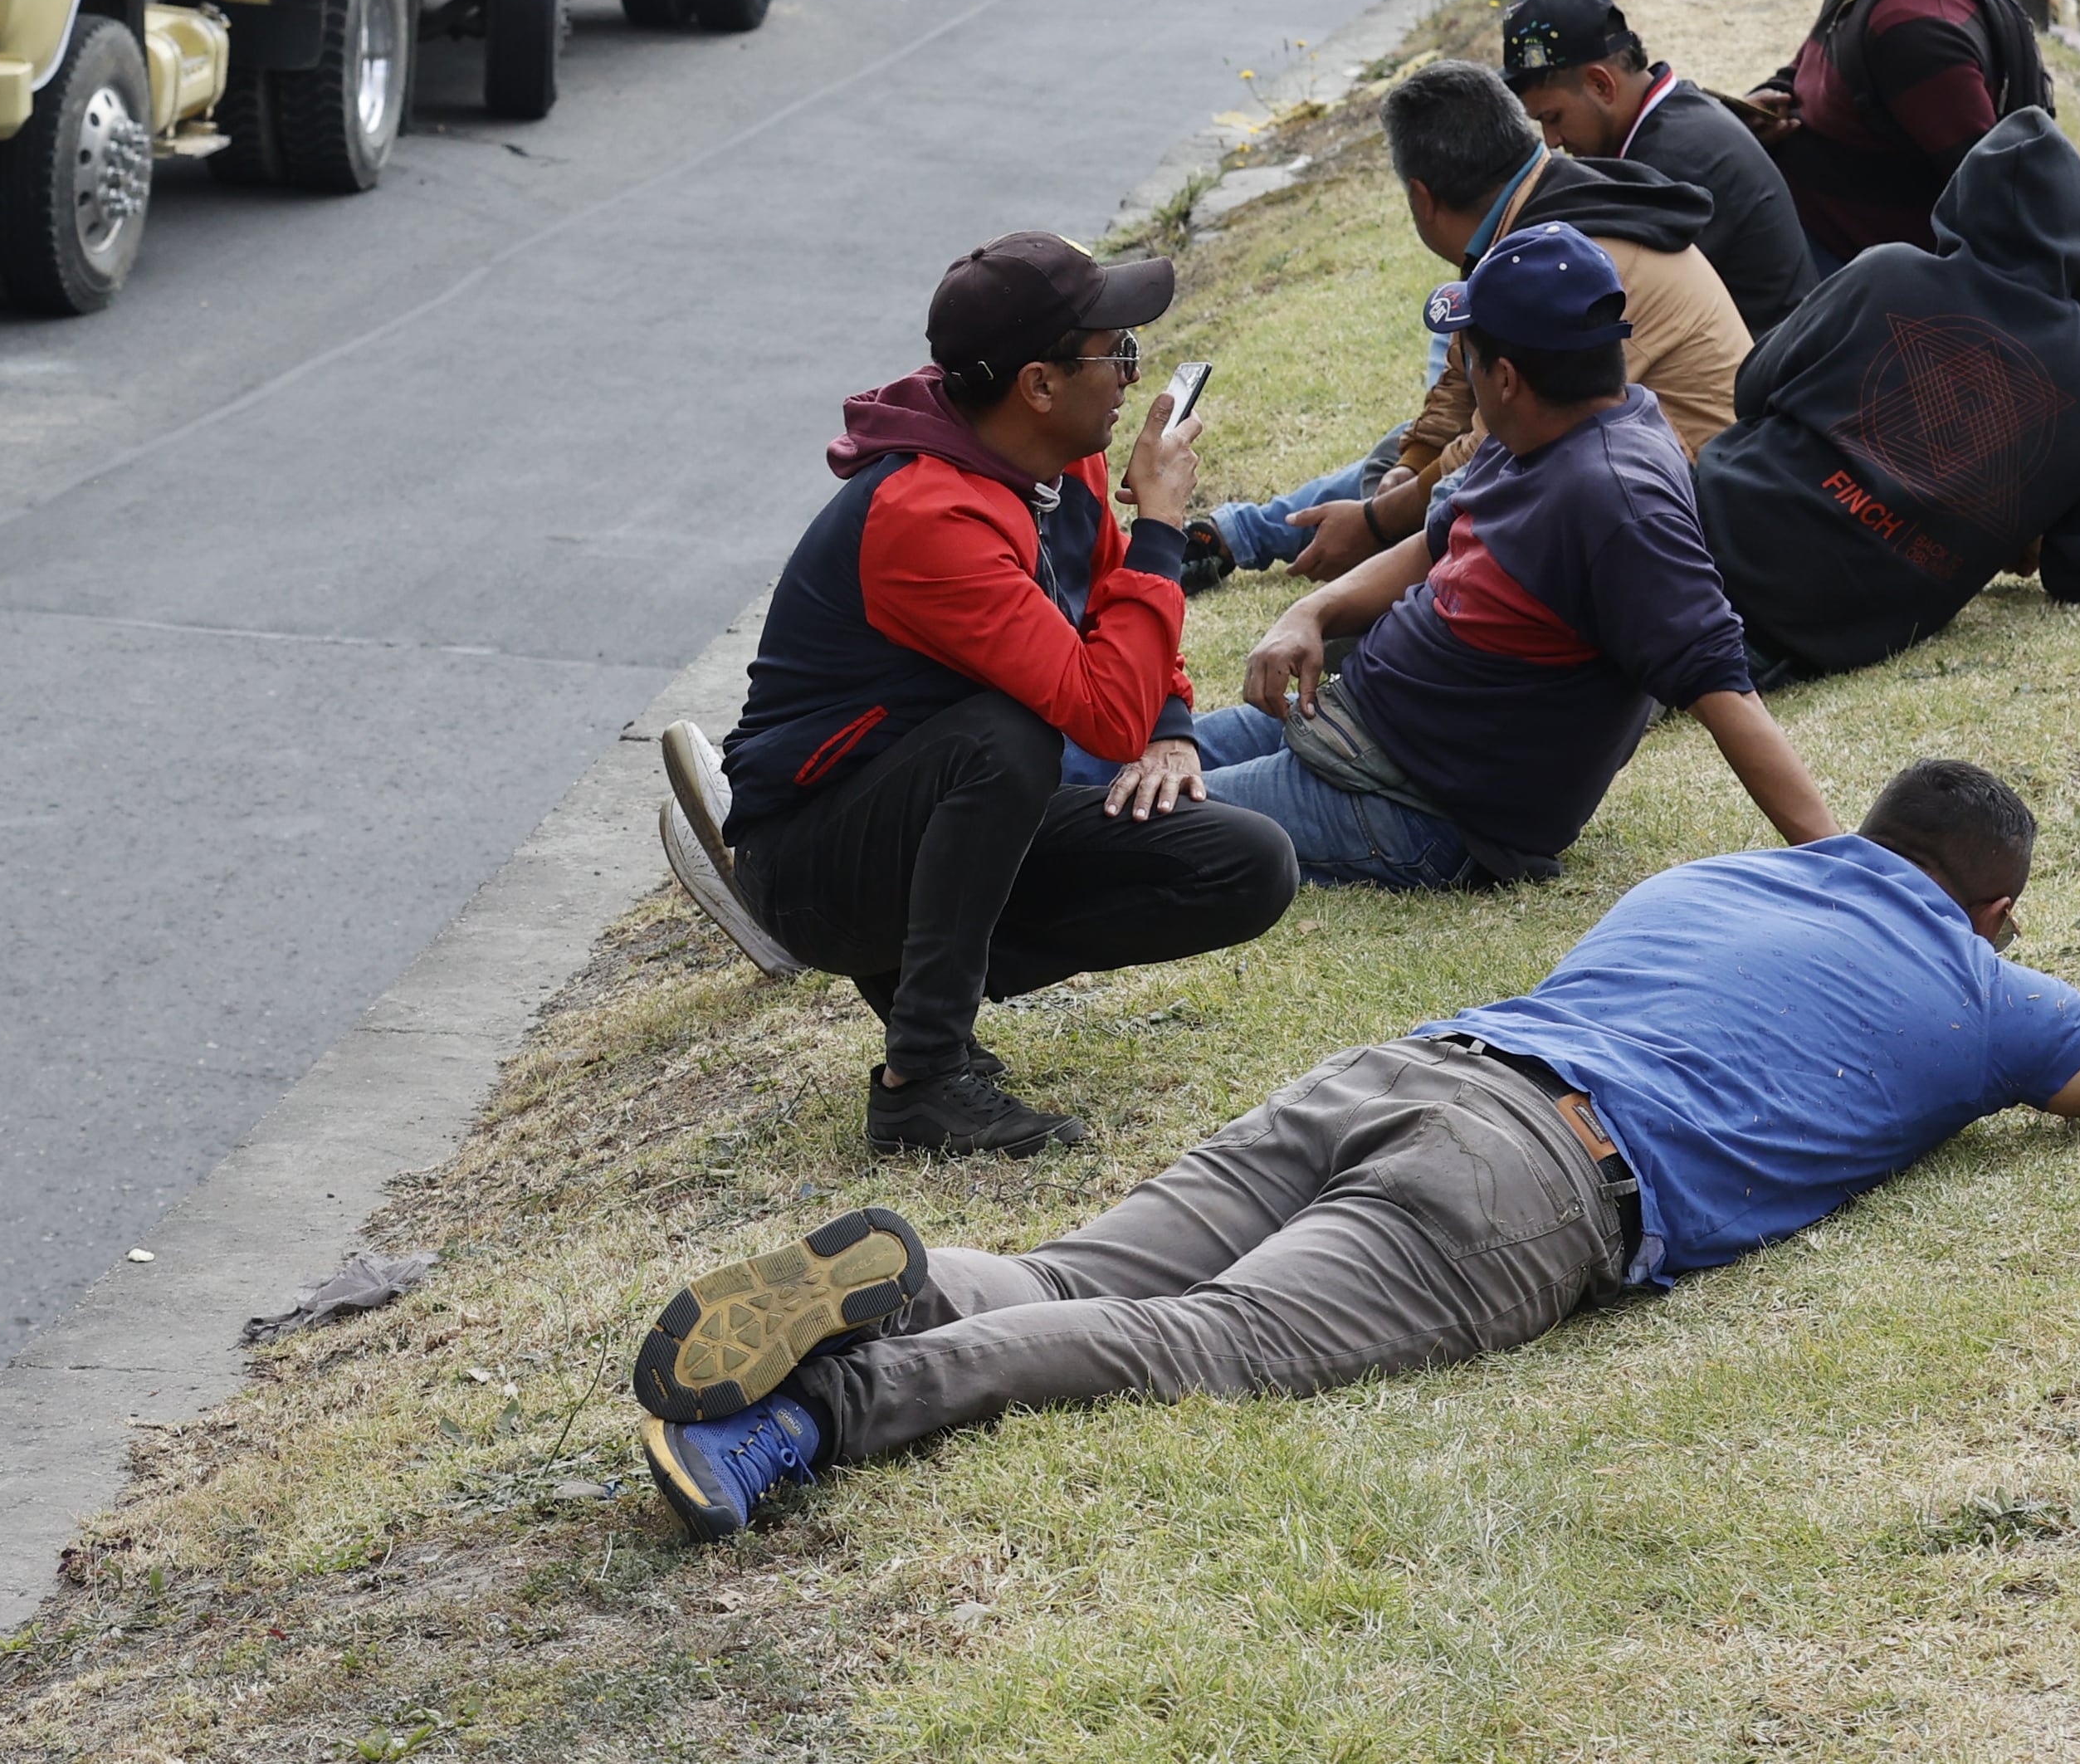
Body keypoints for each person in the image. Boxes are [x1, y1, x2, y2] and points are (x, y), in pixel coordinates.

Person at [628, 759, 2080, 1539]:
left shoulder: (1721, 878)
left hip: (1413, 1066)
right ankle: (817, 1410)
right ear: (1989, 905)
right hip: (1540, 1177)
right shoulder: (1986, 992)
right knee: (1206, 1343)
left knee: (1081, 1272)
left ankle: (910, 1282)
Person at [683, 233, 1297, 1158]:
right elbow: (1100, 711)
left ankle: (926, 973)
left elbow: (1116, 651)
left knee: (1246, 866)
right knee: (1004, 737)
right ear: (1037, 386)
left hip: (939, 821)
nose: (1132, 378)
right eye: (1115, 353)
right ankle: (920, 1080)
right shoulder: (926, 516)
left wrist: (1172, 723)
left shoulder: (1061, 460)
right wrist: (1161, 530)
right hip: (811, 870)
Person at [1159, 222, 1833, 892]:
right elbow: (1434, 544)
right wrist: (1312, 610)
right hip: (1347, 728)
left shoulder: (1619, 501)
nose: (1464, 372)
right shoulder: (1544, 430)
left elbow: (1725, 689)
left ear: (1505, 376)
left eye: (1468, 355)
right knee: (1118, 760)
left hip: (1415, 807)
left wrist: (1851, 871)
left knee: (1133, 822)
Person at [1198, 62, 1749, 580]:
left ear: (1422, 197)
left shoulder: (1565, 256)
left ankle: (1379, 606)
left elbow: (1495, 448)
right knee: (1405, 454)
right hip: (1625, 462)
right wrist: (1410, 466)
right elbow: (1464, 378)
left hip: (1679, 507)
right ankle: (1229, 534)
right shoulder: (1536, 209)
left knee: (1455, 496)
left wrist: (1379, 521)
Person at [1693, 112, 2080, 684]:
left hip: (1692, 541)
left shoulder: (1886, 272)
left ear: (1960, 202)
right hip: (1809, 638)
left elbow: (1752, 390)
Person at [1732, 0, 2047, 269]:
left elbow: (1994, 189)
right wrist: (1763, 108)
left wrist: (2063, 311)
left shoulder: (1913, 29)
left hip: (1863, 287)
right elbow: (1802, 70)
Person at [1501, 0, 1816, 334]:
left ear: (1601, 85)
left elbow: (1611, 306)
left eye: (1553, 117)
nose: (1552, 141)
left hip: (1773, 373)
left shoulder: (1672, 163)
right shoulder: (1679, 113)